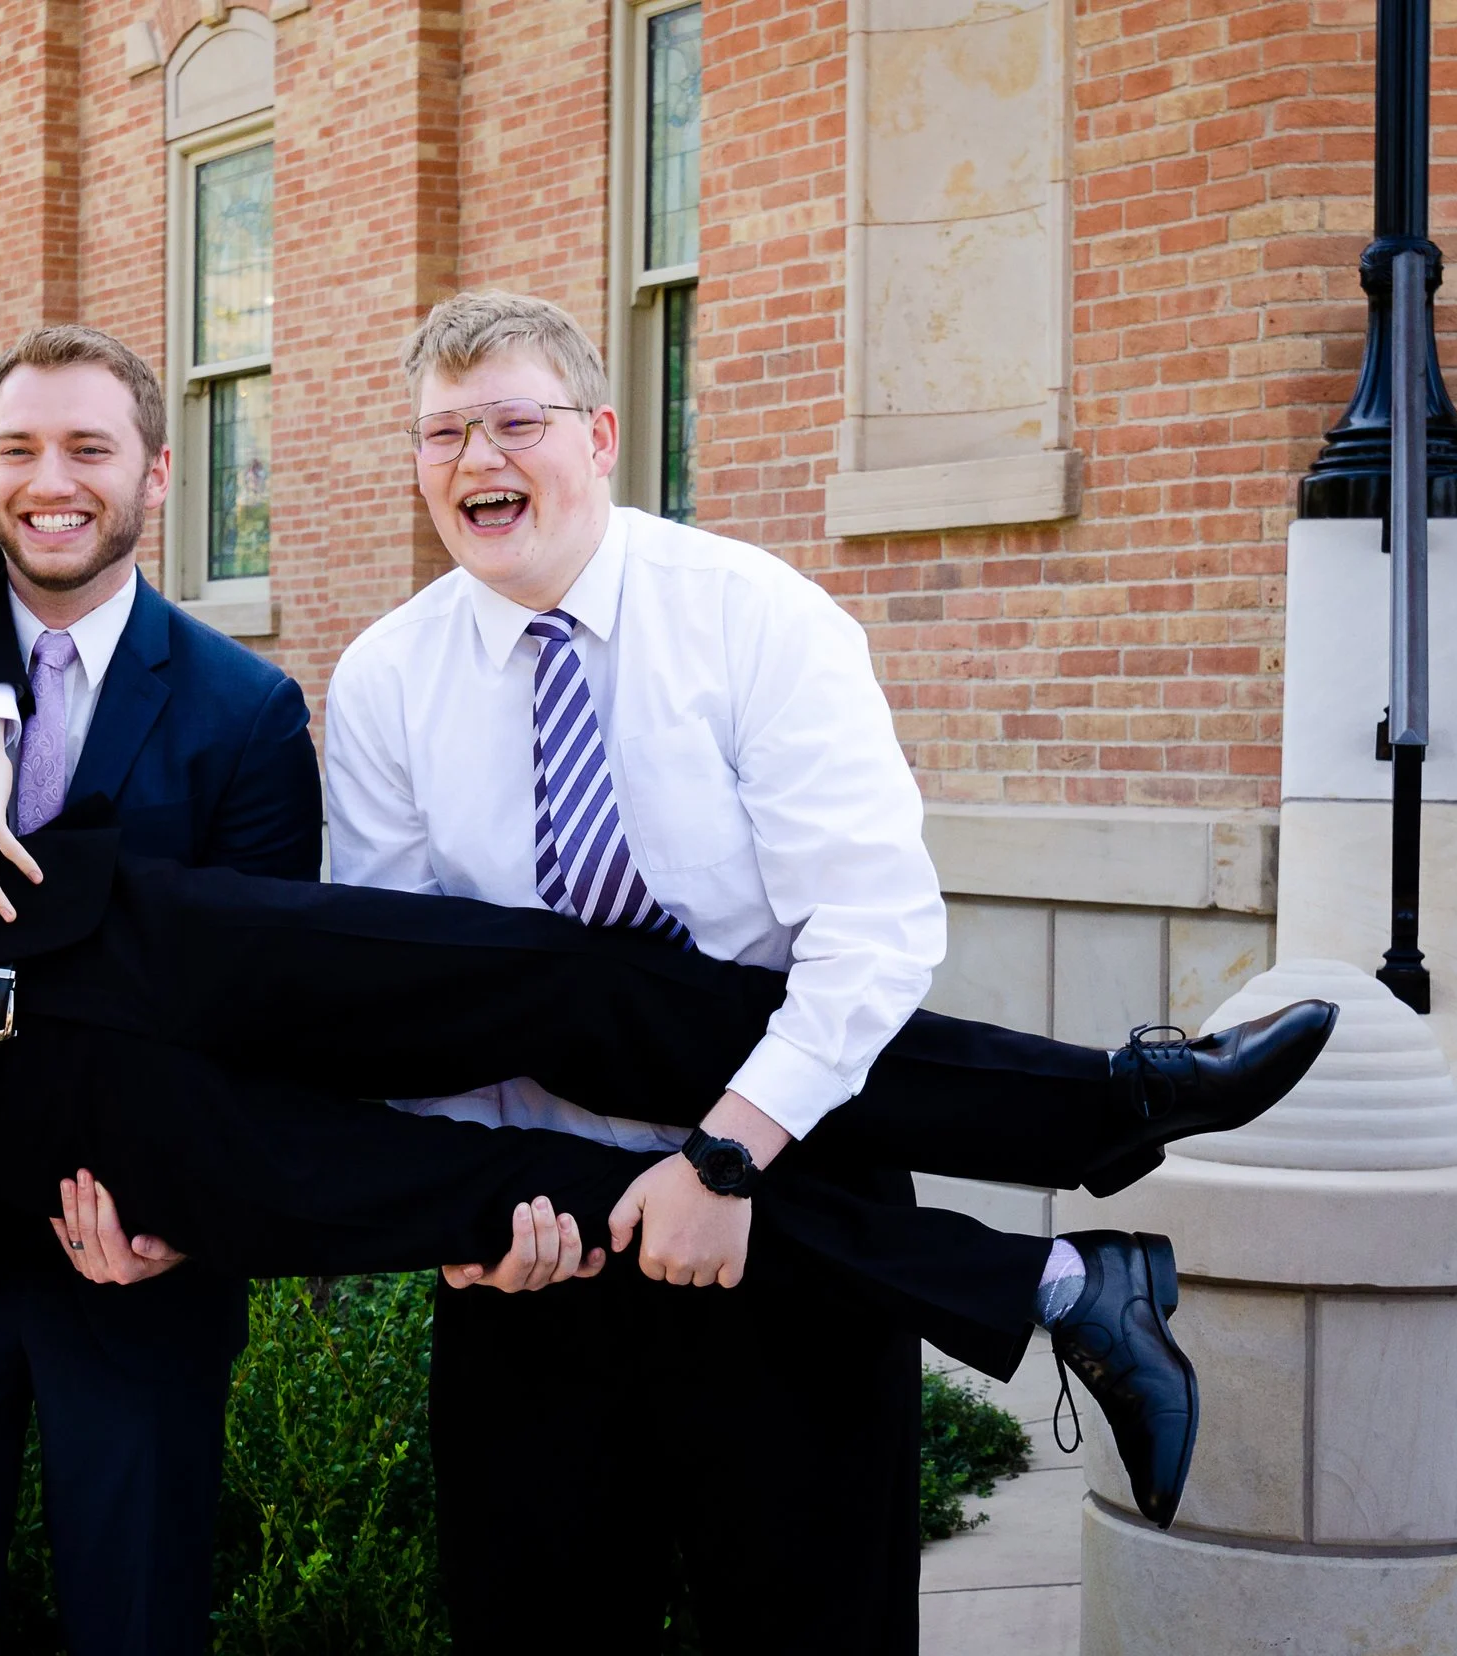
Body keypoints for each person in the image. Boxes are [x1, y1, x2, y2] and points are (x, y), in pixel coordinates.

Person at [0, 525, 1328, 1504]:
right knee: (538, 1195)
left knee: (576, 984)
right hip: (35, 1133)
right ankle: (1057, 1295)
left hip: (98, 944)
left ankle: (1109, 1102)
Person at [319, 291, 1160, 1650]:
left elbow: (875, 926)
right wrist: (468, 1212)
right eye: (443, 434)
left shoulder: (754, 616)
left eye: (516, 422)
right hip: (543, 1249)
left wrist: (722, 1163)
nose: (478, 459)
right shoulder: (384, 681)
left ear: (601, 437)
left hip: (784, 1200)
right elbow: (405, 988)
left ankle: (1119, 1129)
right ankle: (1094, 1200)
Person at [0, 326, 321, 1656]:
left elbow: (266, 1016)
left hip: (129, 1256)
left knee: (137, 1626)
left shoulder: (247, 713)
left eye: (90, 448)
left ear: (156, 473)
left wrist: (188, 1215)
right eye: (19, 449)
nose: (51, 482)